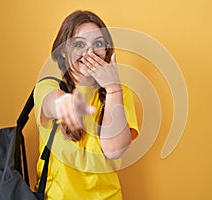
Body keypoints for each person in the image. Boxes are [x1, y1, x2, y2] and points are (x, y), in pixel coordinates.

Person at [34, 10, 139, 199]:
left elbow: (114, 150)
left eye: (98, 44)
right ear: (64, 52)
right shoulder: (48, 86)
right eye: (79, 44)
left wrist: (113, 89)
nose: (90, 52)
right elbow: (50, 103)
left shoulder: (120, 92)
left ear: (106, 51)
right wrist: (64, 103)